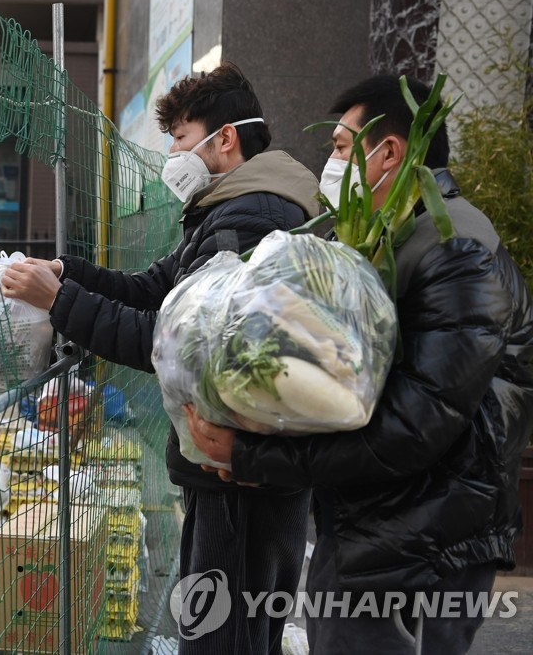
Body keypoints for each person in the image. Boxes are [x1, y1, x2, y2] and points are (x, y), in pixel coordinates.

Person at [188, 75, 533, 654]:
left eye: (343, 147)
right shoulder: (393, 240)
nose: (332, 161)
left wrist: (251, 455)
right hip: (382, 529)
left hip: (423, 545)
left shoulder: (455, 250)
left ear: (390, 152)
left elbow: (415, 425)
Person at [1, 63, 321, 654]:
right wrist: (69, 274)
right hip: (239, 464)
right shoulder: (229, 208)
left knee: (223, 637)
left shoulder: (251, 219)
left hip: (238, 472)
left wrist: (60, 302)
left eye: (179, 136)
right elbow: (159, 290)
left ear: (224, 138)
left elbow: (185, 346)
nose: (172, 151)